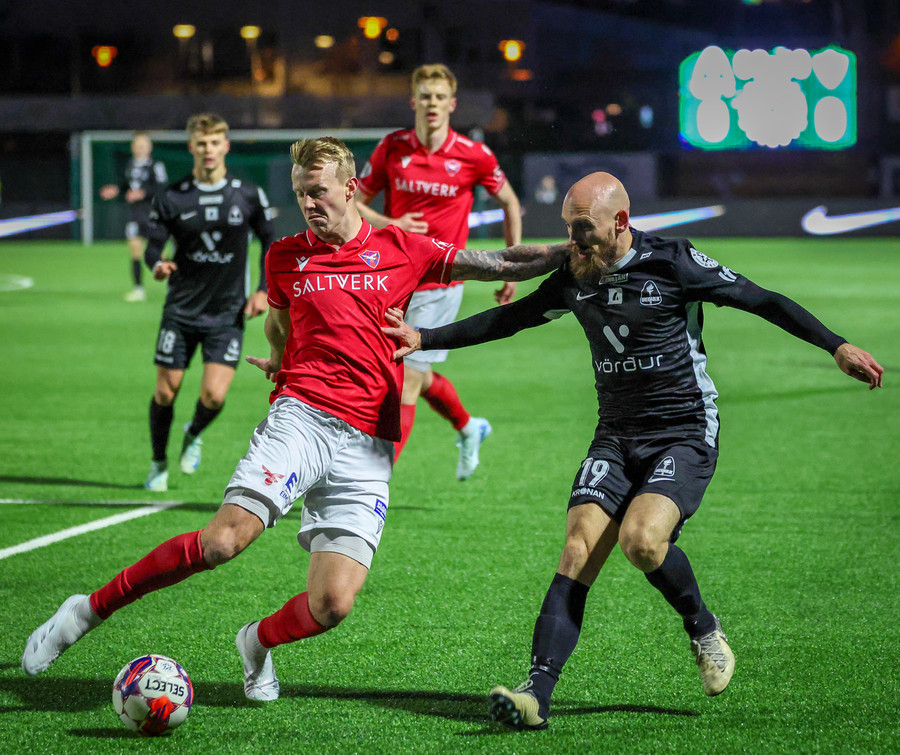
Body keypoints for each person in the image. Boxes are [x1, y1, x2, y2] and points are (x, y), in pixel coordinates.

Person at [20, 137, 570, 702]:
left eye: (319, 192)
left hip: (369, 441)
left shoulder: (402, 248)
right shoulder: (284, 257)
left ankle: (256, 642)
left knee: (333, 604)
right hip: (301, 416)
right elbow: (279, 324)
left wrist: (572, 251)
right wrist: (279, 361)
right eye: (301, 193)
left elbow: (502, 262)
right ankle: (85, 612)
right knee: (222, 542)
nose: (309, 204)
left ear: (350, 189)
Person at [382, 171, 884, 730]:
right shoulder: (575, 273)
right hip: (616, 434)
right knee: (577, 550)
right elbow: (512, 318)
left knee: (642, 542)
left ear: (620, 221)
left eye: (582, 227)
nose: (572, 240)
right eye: (568, 227)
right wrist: (425, 338)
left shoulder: (673, 262)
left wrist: (836, 345)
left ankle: (703, 627)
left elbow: (761, 300)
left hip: (684, 429)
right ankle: (536, 695)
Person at [356, 63, 523, 479]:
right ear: (414, 101)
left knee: (407, 381)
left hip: (441, 283)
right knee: (406, 368)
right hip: (392, 279)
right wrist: (391, 224)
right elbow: (355, 202)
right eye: (425, 96)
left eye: (440, 97)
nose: (432, 103)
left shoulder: (473, 154)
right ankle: (468, 427)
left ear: (452, 104)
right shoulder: (392, 147)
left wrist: (511, 269)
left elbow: (510, 202)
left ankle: (374, 482)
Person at [140, 113, 276, 492]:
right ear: (191, 147)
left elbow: (270, 242)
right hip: (180, 310)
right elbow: (152, 246)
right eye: (201, 143)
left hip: (227, 312)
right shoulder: (171, 196)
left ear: (225, 146)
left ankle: (193, 433)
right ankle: (158, 462)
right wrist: (157, 265)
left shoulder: (248, 194)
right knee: (165, 391)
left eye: (215, 142)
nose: (208, 149)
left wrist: (263, 289)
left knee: (214, 396)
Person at [99, 132, 168, 302]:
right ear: (133, 147)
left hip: (153, 215)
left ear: (150, 147)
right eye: (137, 145)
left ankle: (176, 286)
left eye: (143, 145)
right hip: (135, 215)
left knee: (160, 255)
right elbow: (126, 186)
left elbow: (162, 188)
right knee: (135, 250)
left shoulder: (156, 166)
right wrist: (116, 190)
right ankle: (138, 289)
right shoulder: (130, 165)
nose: (140, 148)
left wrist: (143, 193)